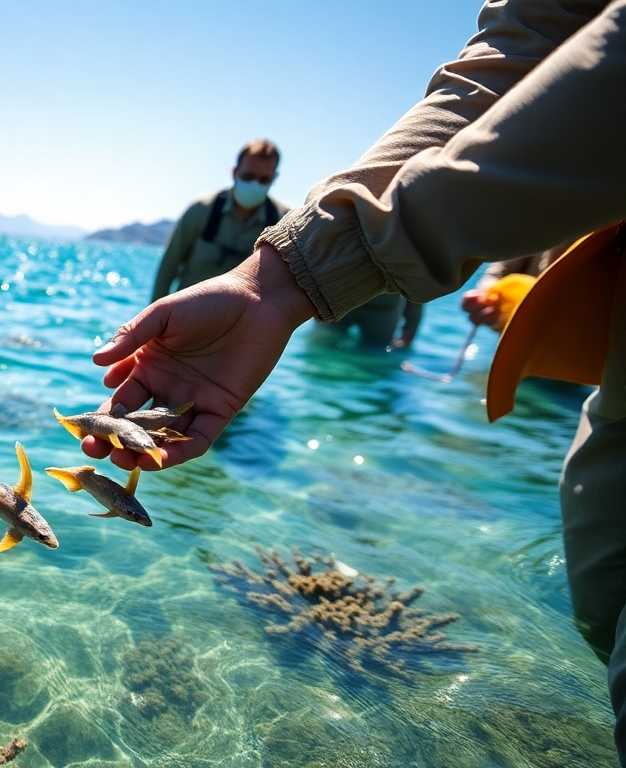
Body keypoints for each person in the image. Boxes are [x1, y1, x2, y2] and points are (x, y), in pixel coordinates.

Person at [83, 0, 626, 760]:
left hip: (325, 299)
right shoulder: (201, 216)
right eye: (249, 172)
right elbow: (522, 46)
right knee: (603, 596)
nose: (254, 182)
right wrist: (277, 283)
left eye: (264, 175)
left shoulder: (273, 212)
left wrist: (298, 279)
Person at [150, 140, 289, 302]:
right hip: (189, 321)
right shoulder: (200, 210)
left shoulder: (283, 222)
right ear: (235, 172)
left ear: (274, 178)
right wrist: (155, 322)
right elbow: (168, 267)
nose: (255, 184)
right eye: (248, 176)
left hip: (244, 326)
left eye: (264, 180)